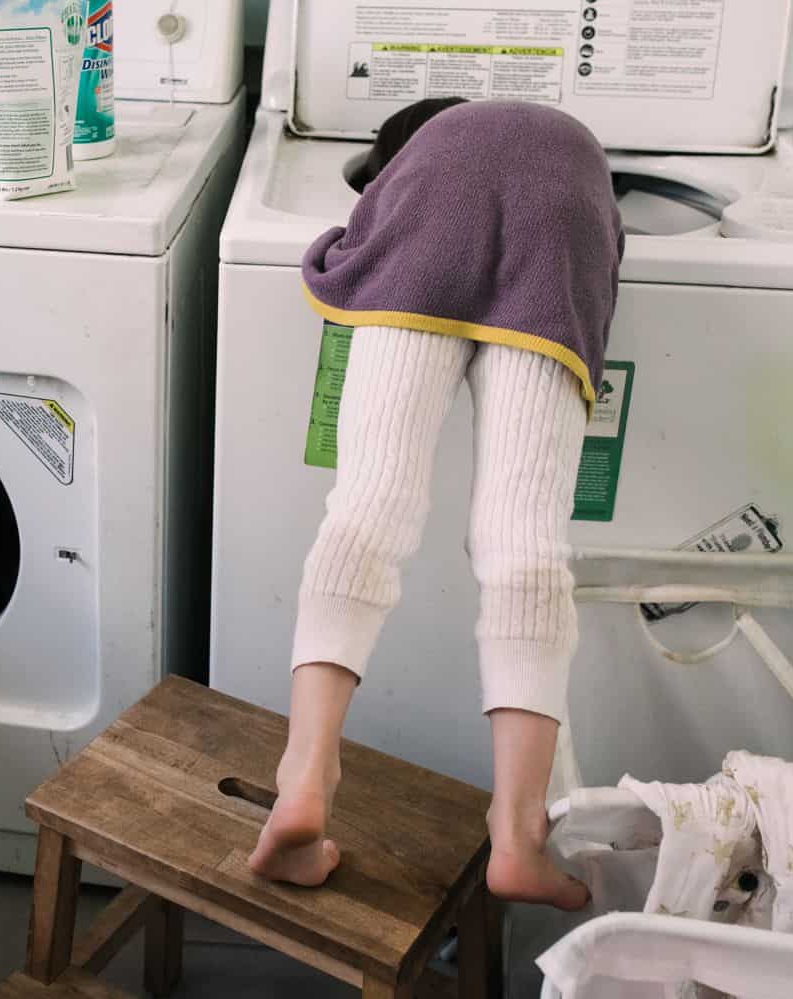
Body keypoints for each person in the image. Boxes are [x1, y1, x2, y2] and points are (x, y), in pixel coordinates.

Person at [247, 98, 625, 911]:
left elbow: (354, 236)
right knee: (523, 544)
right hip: (562, 227)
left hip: (429, 225)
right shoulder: (565, 141)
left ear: (393, 158)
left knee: (367, 511)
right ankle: (520, 836)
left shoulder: (428, 152)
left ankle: (304, 779)